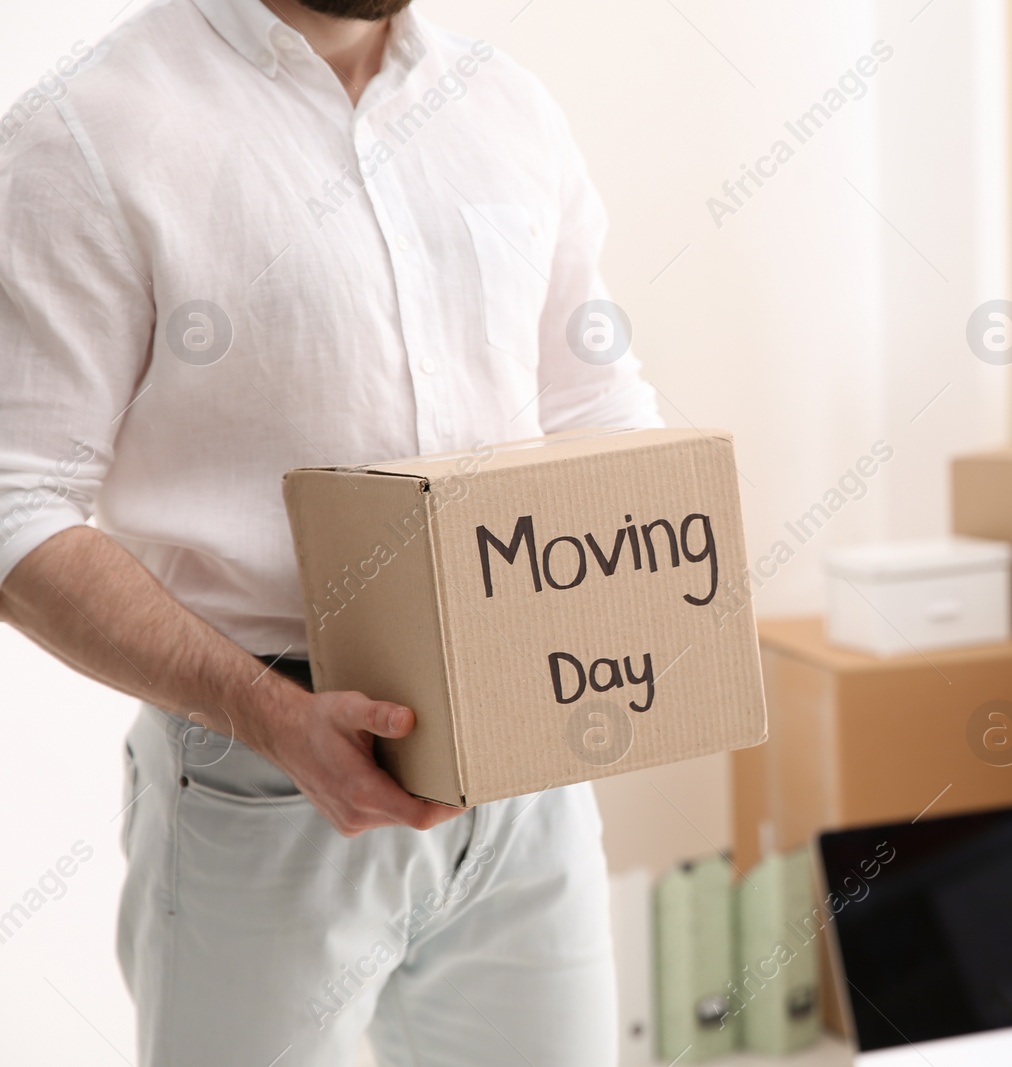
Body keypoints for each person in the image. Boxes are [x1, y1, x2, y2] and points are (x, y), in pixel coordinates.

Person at [0, 0, 658, 1062]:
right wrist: (268, 714)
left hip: (528, 778)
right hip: (259, 784)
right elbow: (16, 503)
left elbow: (593, 403)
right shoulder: (89, 129)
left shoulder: (505, 106)